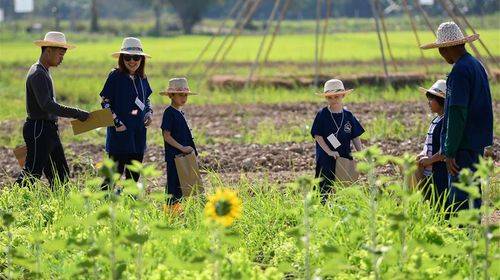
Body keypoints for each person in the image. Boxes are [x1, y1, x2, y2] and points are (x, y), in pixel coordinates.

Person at [421, 22, 493, 211]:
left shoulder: (459, 72)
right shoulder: (477, 66)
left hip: (462, 146)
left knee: (460, 198)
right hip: (476, 143)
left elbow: (456, 112)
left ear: (446, 48)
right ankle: (474, 236)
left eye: (440, 49)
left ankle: (463, 237)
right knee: (472, 193)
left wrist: (449, 150)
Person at [16, 31, 90, 188]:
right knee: (32, 171)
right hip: (39, 129)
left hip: (48, 129)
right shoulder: (38, 74)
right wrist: (77, 113)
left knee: (60, 173)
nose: (62, 59)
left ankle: (61, 203)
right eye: (60, 54)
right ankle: (10, 202)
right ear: (48, 50)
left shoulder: (43, 71)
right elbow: (47, 105)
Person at [99, 37, 153, 191]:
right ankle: (103, 206)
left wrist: (149, 112)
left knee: (133, 177)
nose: (132, 61)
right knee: (113, 176)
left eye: (136, 57)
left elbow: (146, 99)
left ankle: (129, 208)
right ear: (122, 58)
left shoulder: (142, 78)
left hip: (138, 134)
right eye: (127, 57)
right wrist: (117, 122)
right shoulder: (115, 76)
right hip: (120, 135)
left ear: (141, 59)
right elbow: (105, 102)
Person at [311, 79, 364, 203]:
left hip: (344, 155)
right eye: (330, 97)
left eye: (336, 96)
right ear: (326, 98)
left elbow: (355, 136)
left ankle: (342, 205)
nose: (334, 99)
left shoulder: (348, 115)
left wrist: (360, 152)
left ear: (343, 95)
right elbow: (318, 136)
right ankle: (321, 204)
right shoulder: (322, 115)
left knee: (345, 183)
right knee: (324, 182)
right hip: (326, 157)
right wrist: (329, 151)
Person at [160, 78, 198, 211]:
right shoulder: (169, 113)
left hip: (184, 155)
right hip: (175, 156)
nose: (184, 98)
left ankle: (179, 211)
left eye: (186, 95)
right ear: (171, 95)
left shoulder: (179, 112)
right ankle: (170, 213)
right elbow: (166, 135)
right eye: (180, 95)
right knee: (173, 186)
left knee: (184, 186)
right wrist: (181, 148)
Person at [415, 80, 448, 202]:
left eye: (431, 99)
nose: (428, 103)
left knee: (440, 203)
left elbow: (446, 149)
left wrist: (430, 160)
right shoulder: (435, 120)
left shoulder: (446, 122)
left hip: (440, 173)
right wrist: (423, 154)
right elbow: (427, 143)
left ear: (441, 101)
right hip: (429, 172)